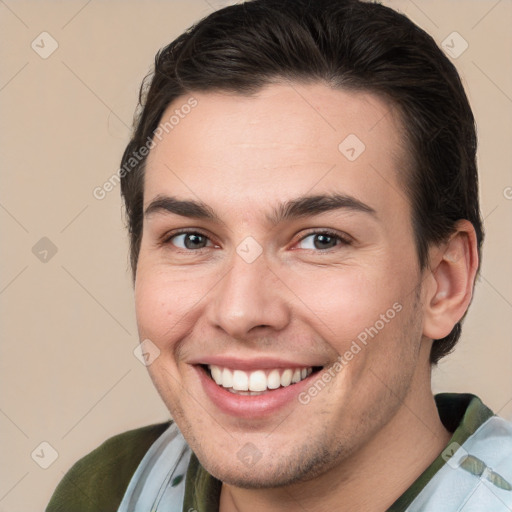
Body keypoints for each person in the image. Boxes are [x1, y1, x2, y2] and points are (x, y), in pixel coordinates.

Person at [46, 0, 512, 510]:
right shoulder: (108, 491)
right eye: (192, 239)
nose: (241, 312)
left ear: (443, 283)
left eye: (321, 240)